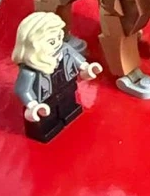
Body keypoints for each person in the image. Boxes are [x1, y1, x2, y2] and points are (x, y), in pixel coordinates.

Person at [12, 11, 101, 142]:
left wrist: (86, 67)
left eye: (60, 36)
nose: (59, 43)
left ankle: (68, 112)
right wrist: (33, 105)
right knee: (48, 115)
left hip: (66, 85)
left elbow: (77, 59)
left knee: (68, 103)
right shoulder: (31, 70)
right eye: (52, 42)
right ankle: (48, 127)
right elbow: (22, 89)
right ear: (34, 45)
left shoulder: (64, 49)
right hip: (45, 98)